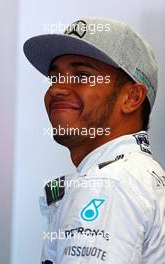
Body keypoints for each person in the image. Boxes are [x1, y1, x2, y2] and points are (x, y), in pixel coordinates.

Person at [23, 17, 165, 264]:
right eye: (55, 77)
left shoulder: (108, 183)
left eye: (81, 75)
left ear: (132, 97)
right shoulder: (135, 174)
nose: (57, 89)